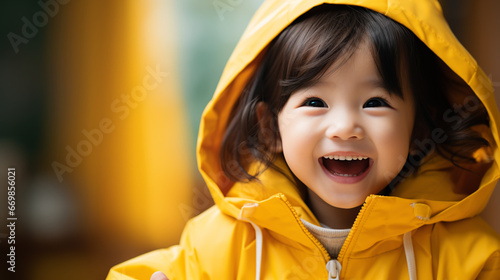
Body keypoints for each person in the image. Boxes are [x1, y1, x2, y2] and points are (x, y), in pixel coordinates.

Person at [107, 1, 500, 279]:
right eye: (315, 101)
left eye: (375, 102)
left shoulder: (465, 259)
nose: (345, 127)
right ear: (269, 129)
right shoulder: (222, 245)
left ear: (418, 132)